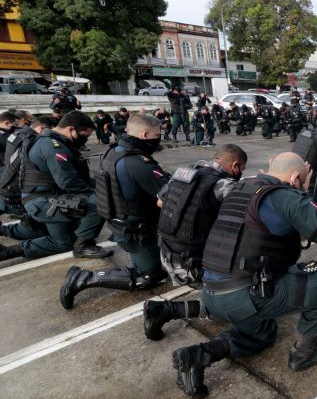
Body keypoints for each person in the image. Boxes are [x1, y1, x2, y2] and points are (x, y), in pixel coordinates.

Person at [154, 153, 317, 399]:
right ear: (295, 177)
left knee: (262, 335)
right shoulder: (284, 197)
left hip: (212, 290)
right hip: (244, 296)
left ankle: (198, 355)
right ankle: (305, 353)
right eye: (301, 181)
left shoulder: (242, 187)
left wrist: (300, 188)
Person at [59, 114, 169, 309]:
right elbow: (168, 193)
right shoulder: (137, 162)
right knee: (149, 277)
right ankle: (85, 278)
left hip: (120, 220)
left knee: (154, 269)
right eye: (157, 134)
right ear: (145, 135)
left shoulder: (115, 151)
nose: (159, 137)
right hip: (136, 229)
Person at [0, 111, 112, 262]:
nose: (85, 140)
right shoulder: (53, 146)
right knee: (100, 203)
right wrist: (98, 192)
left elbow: (78, 178)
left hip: (44, 199)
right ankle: (83, 246)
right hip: (46, 202)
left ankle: (7, 252)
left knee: (63, 243)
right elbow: (69, 182)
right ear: (71, 129)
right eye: (85, 135)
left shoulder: (50, 141)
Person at [152, 144, 247, 292]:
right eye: (242, 168)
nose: (241, 172)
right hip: (191, 265)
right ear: (235, 165)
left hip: (166, 252)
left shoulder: (184, 173)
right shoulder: (225, 185)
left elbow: (160, 202)